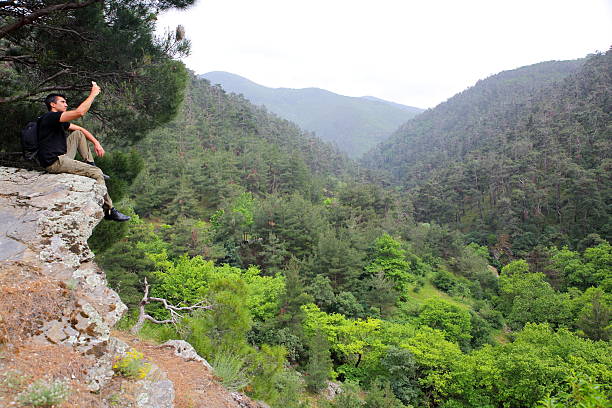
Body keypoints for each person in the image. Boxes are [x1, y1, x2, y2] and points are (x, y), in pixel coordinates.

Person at [38, 82, 130, 222]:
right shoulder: (50, 117)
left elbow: (81, 130)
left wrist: (96, 143)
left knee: (78, 134)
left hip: (61, 157)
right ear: (53, 105)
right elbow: (80, 112)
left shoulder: (57, 120)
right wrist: (93, 93)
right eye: (62, 102)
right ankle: (109, 210)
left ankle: (90, 164)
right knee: (97, 173)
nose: (66, 104)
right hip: (55, 162)